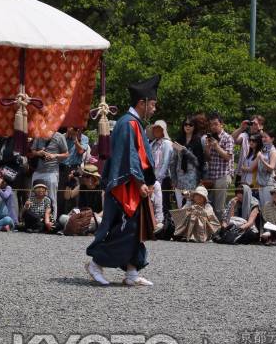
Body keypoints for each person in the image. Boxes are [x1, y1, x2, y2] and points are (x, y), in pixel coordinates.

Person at [85, 75, 159, 287]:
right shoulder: (129, 124)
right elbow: (129, 158)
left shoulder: (132, 123)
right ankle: (96, 263)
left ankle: (132, 273)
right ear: (142, 103)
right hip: (127, 188)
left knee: (134, 230)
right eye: (152, 104)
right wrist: (139, 182)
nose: (154, 109)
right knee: (126, 229)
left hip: (132, 187)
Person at [202, 113, 234, 219]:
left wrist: (216, 146)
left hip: (223, 176)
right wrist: (207, 148)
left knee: (219, 207)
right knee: (209, 206)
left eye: (216, 124)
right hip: (211, 177)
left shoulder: (227, 138)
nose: (213, 127)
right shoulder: (210, 138)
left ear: (221, 124)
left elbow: (228, 157)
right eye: (211, 125)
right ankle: (214, 229)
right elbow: (207, 158)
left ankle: (221, 230)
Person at [29, 128, 68, 216]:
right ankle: (34, 220)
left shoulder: (59, 136)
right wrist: (40, 153)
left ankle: (52, 221)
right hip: (38, 171)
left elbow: (66, 154)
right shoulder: (38, 134)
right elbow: (33, 151)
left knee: (51, 197)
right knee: (33, 196)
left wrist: (54, 155)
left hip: (52, 171)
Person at [170, 118, 203, 208]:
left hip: (192, 178)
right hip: (179, 177)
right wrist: (173, 179)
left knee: (190, 205)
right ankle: (180, 222)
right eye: (185, 124)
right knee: (180, 205)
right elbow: (173, 161)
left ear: (194, 127)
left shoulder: (198, 141)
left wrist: (185, 151)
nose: (187, 126)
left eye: (190, 125)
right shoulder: (179, 140)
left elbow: (198, 162)